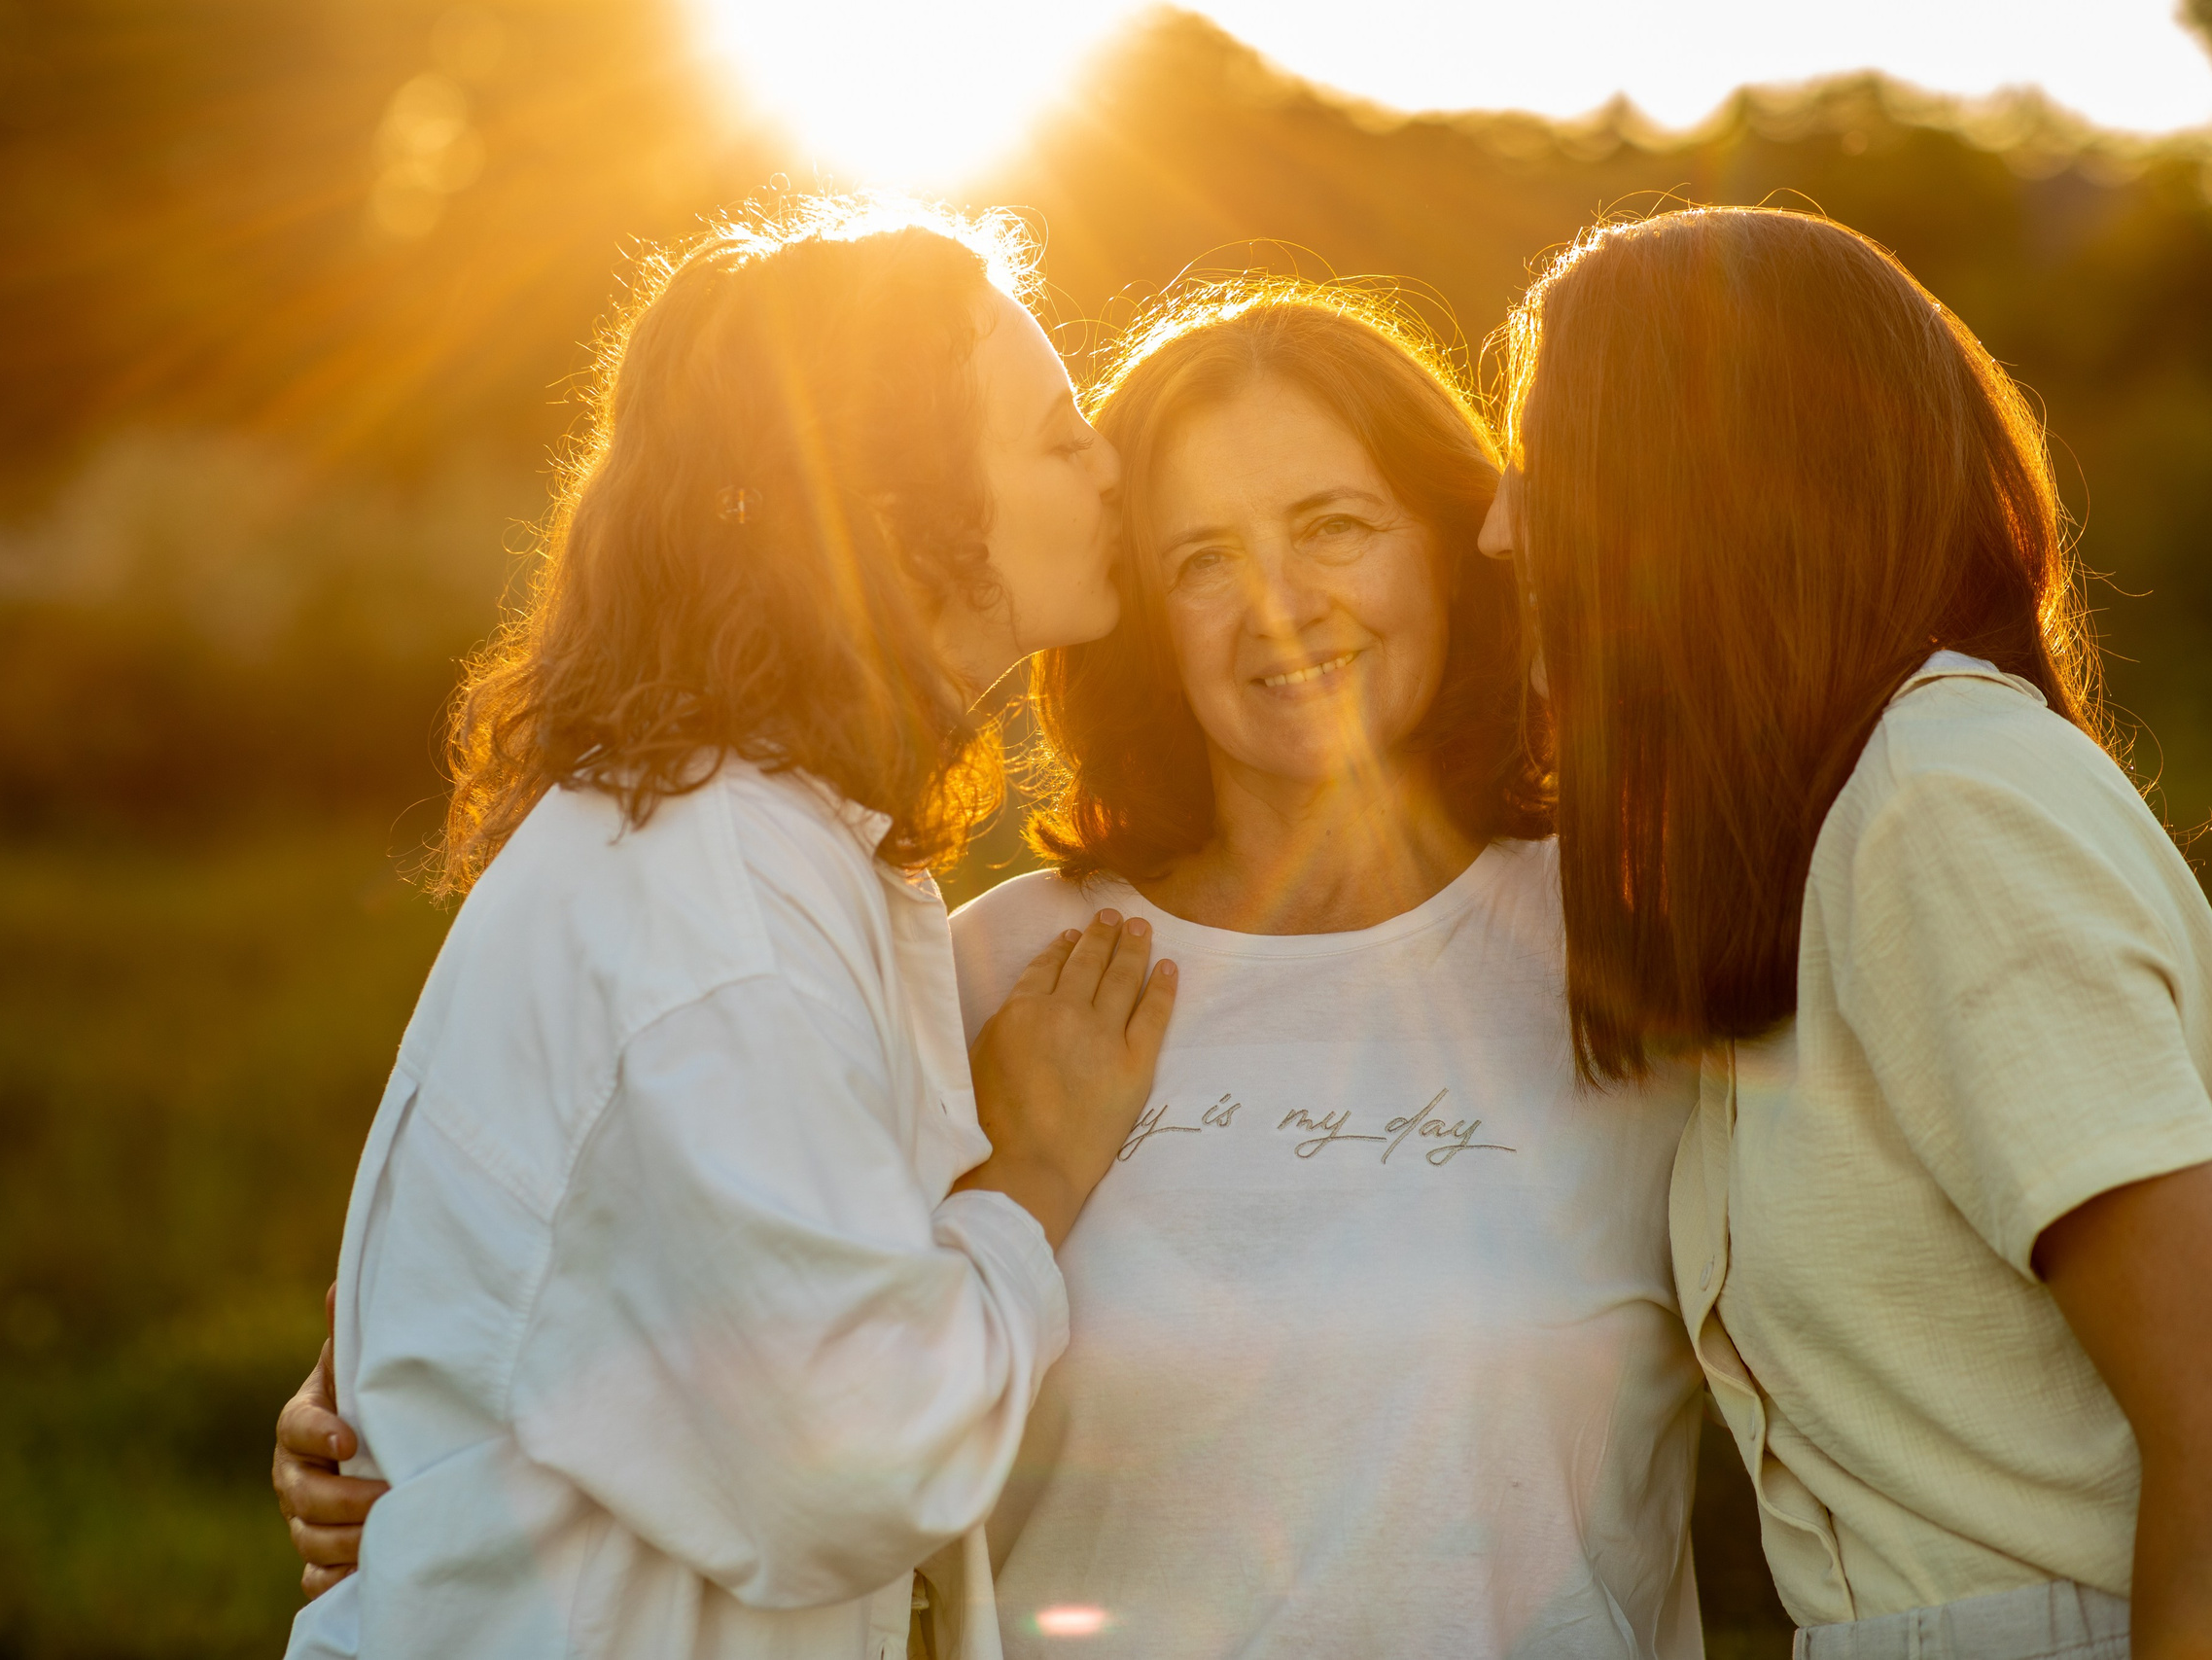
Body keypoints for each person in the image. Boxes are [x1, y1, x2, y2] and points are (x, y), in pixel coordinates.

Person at [281, 280, 1710, 1658]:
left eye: (1336, 527)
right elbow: (741, 1333)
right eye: (1197, 557)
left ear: (1463, 544)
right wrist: (407, 1420)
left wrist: (444, 1406)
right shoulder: (992, 974)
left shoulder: (1644, 945)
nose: (1277, 604)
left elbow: (1847, 1349)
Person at [280, 194, 1179, 1660]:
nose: (1109, 465)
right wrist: (1031, 1175)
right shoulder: (720, 917)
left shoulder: (788, 843)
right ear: (891, 523)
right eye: (1056, 433)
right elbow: (856, 1459)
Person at [1484, 205, 2212, 1660]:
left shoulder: (1943, 809)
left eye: (1546, 465)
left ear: (1696, 494)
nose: (1500, 527)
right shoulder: (1844, 832)